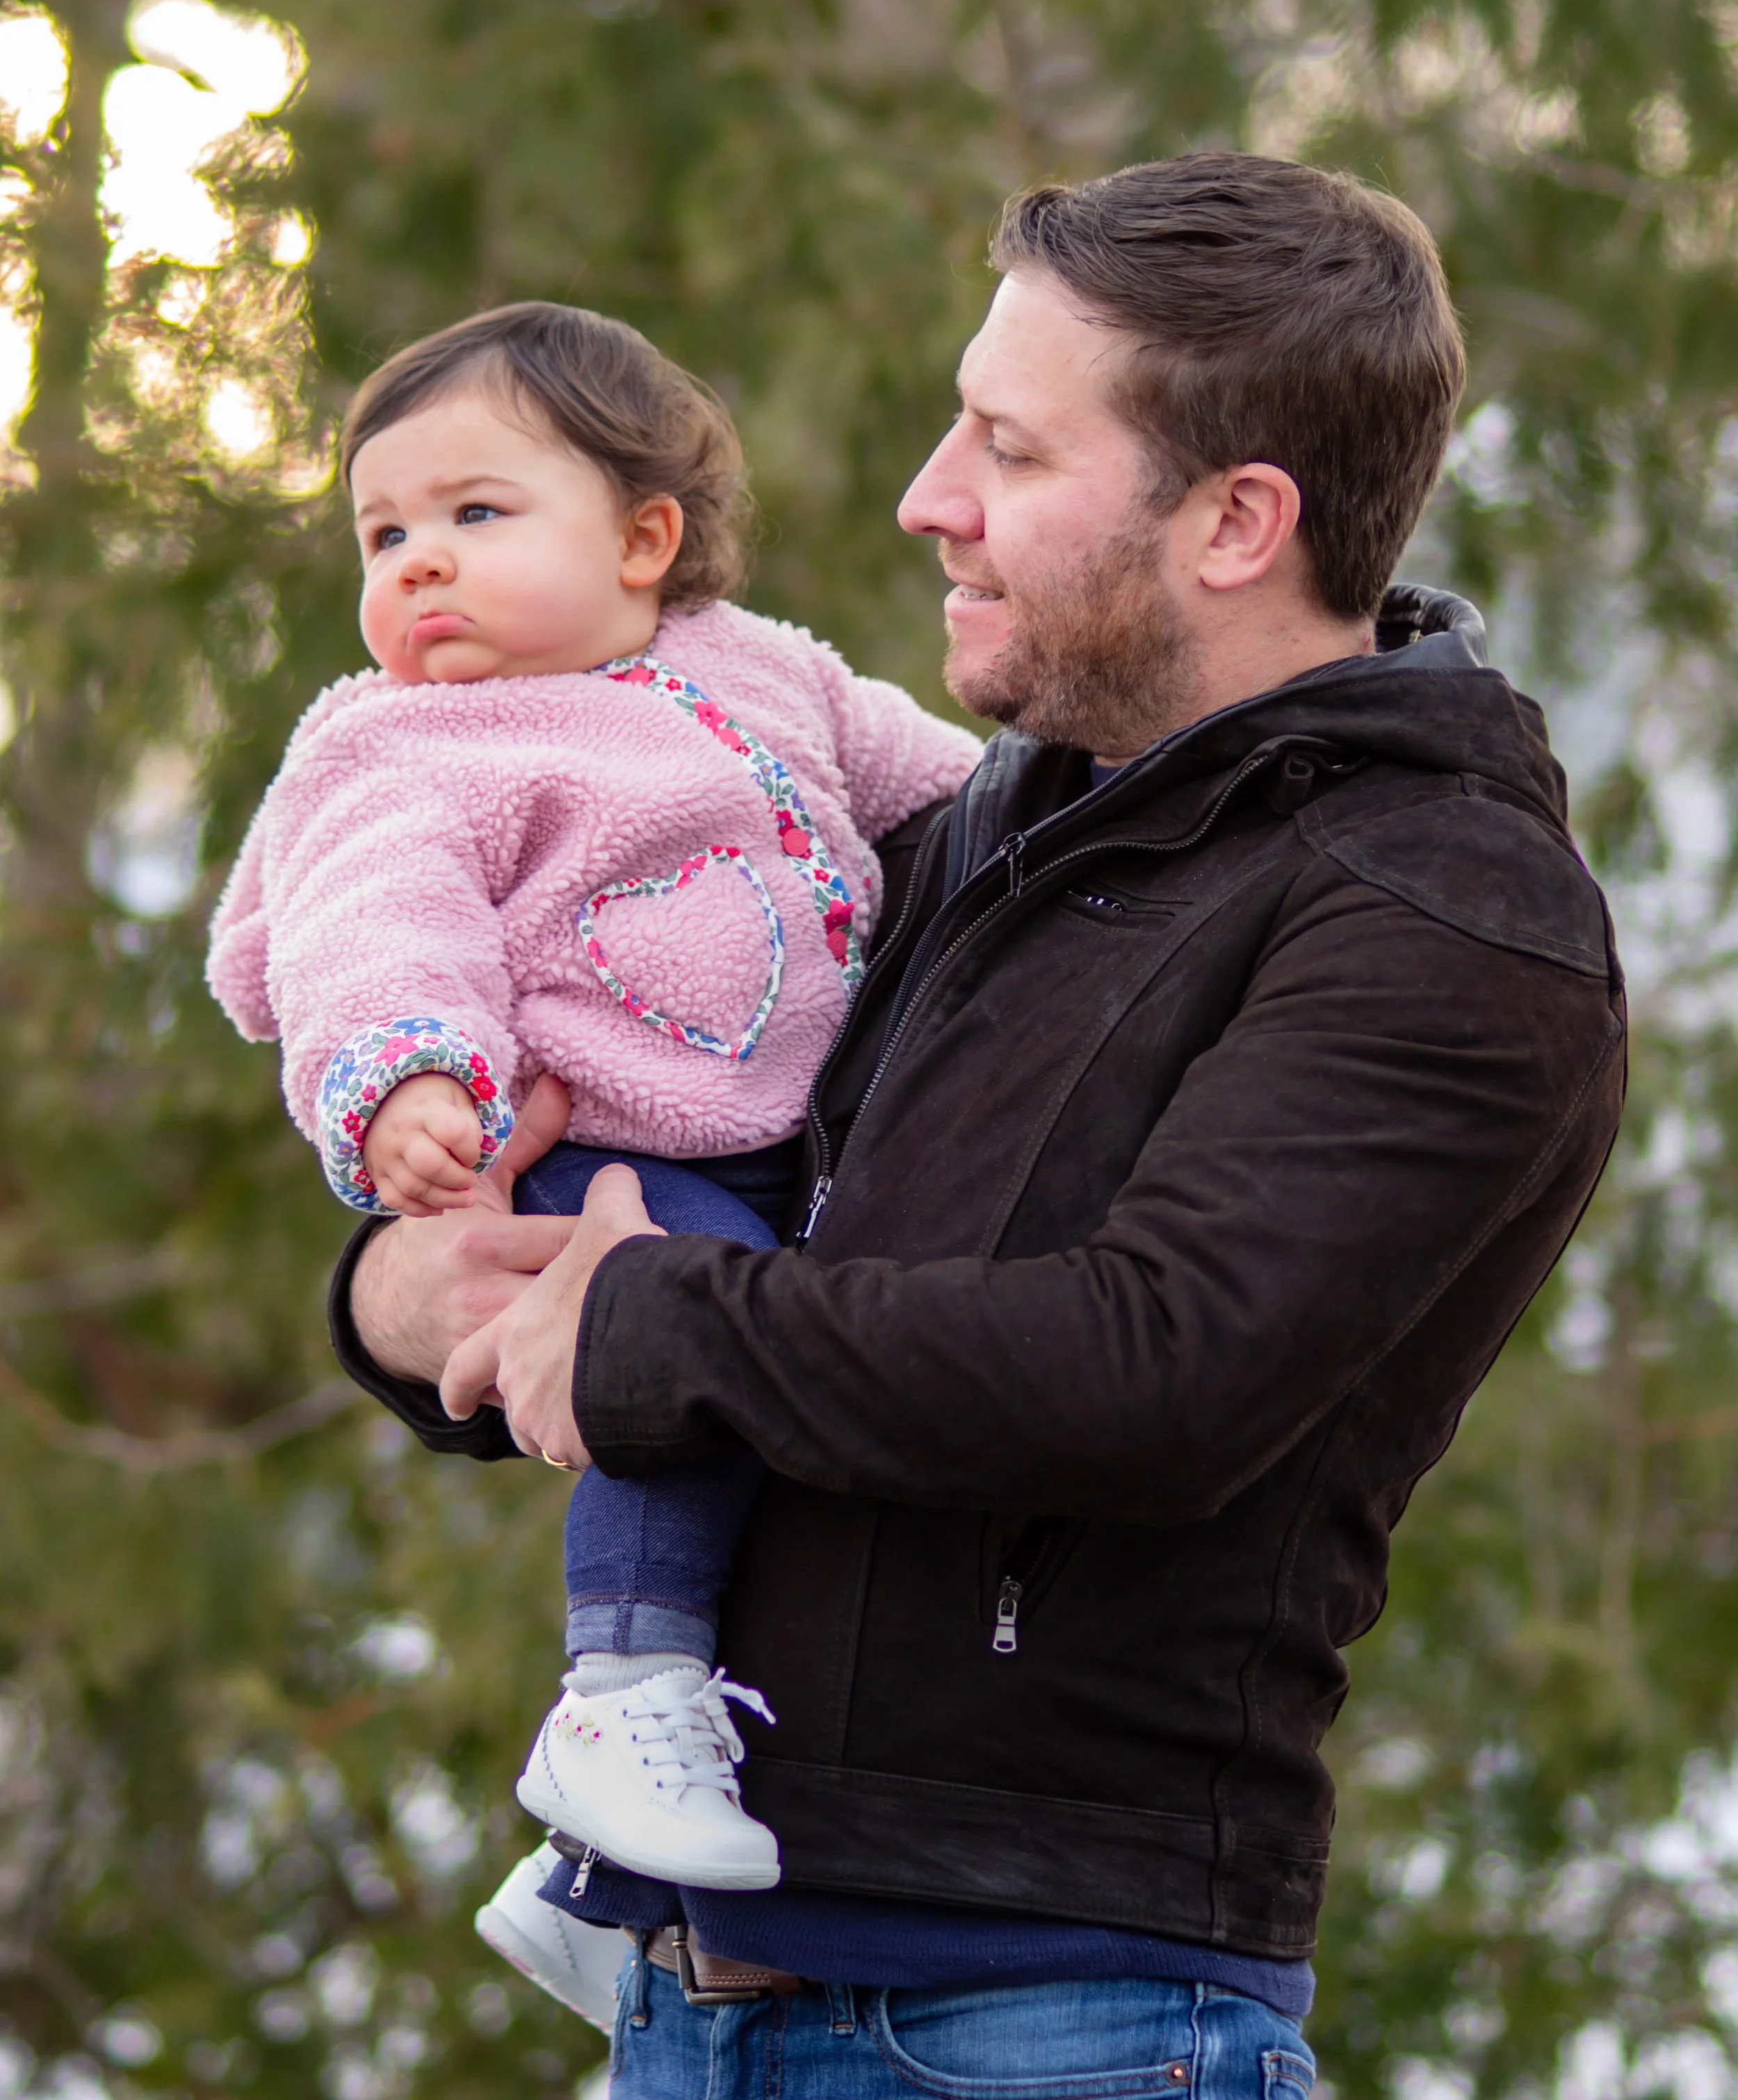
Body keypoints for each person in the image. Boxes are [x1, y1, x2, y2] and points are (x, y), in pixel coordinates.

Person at [328, 155, 1627, 2099]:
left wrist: (645, 1322)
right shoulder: (972, 831)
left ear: (1234, 520)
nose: (928, 494)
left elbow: (1155, 1370)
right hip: (692, 2008)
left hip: (1051, 2024)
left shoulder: (1438, 907)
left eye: (1009, 450)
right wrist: (403, 1291)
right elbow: (676, 1141)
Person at [204, 305, 982, 1954]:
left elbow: (944, 790)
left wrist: (1069, 794)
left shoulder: (762, 667)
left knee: (799, 1420)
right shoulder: (407, 744)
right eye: (385, 533)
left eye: (475, 516)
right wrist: (411, 1076)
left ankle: (593, 1892)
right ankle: (619, 1686)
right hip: (608, 1151)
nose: (417, 563)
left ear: (646, 540)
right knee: (679, 1327)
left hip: (787, 1141)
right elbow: (374, 921)